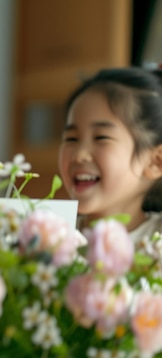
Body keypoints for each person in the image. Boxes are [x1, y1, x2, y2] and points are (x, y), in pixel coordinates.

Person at [58, 67, 162, 242]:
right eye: (71, 138)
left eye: (101, 137)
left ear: (156, 162)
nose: (80, 155)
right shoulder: (50, 236)